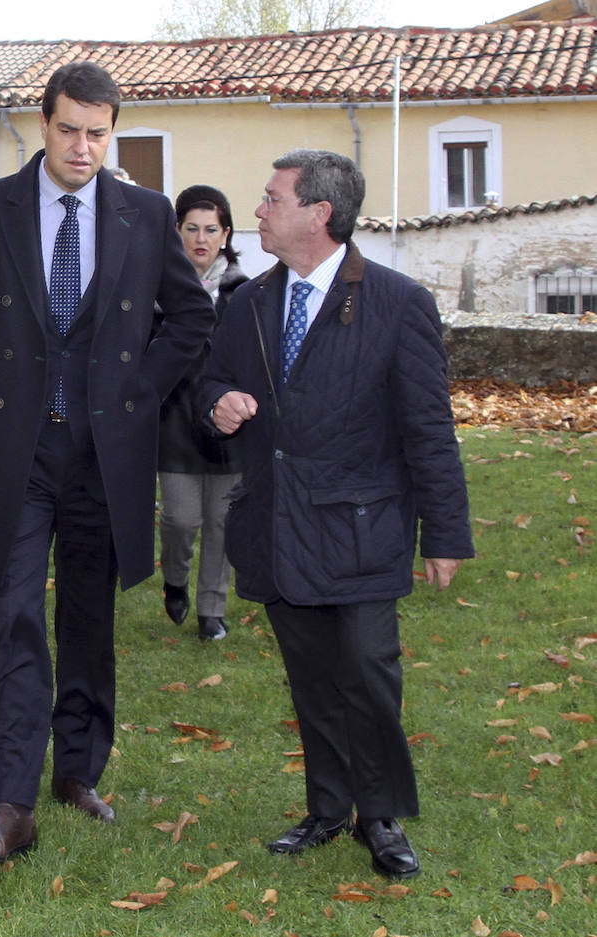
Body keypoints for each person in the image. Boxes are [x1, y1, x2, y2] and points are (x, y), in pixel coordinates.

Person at [0, 62, 215, 862]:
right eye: (69, 129)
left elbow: (193, 315)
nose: (82, 146)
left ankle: (78, 768)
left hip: (104, 456)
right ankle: (8, 802)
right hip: (13, 452)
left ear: (112, 131)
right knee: (16, 614)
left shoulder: (143, 213)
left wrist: (138, 387)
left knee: (89, 619)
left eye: (98, 133)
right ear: (44, 124)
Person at [200, 149, 473, 879]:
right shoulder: (251, 301)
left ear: (319, 214)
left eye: (271, 199)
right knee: (313, 675)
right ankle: (326, 806)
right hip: (277, 527)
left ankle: (377, 815)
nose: (256, 211)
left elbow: (428, 429)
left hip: (361, 531)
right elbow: (212, 382)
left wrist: (445, 533)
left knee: (366, 671)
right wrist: (217, 404)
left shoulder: (396, 302)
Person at [157, 185, 250, 642]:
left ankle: (212, 609)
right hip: (174, 425)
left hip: (229, 429)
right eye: (191, 228)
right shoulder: (158, 292)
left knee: (222, 521)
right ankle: (174, 580)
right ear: (177, 231)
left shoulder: (245, 294)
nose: (201, 238)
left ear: (225, 233)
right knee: (180, 520)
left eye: (211, 229)